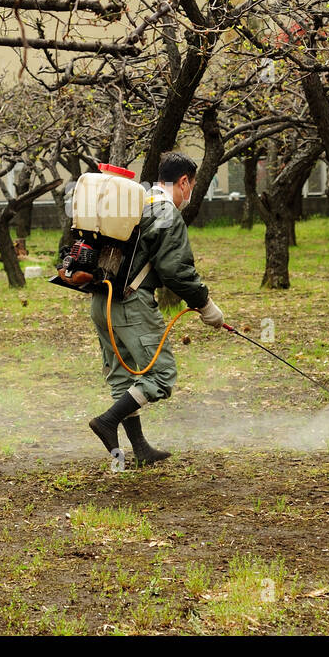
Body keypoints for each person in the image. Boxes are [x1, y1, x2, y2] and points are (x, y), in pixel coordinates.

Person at [87, 152, 225, 466]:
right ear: (184, 181)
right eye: (191, 187)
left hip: (101, 300)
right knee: (161, 375)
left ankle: (141, 450)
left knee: (123, 377)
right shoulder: (165, 212)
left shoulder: (138, 202)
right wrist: (206, 305)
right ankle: (108, 421)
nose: (190, 195)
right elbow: (176, 270)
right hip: (130, 303)